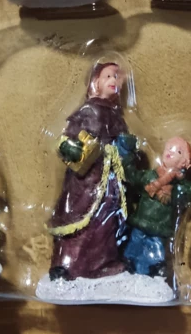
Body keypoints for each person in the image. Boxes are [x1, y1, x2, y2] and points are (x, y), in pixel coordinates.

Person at [48, 62, 138, 280]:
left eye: (116, 77)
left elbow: (123, 145)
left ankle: (101, 264)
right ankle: (67, 265)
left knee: (106, 223)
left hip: (109, 180)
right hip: (86, 178)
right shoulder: (88, 110)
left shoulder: (116, 115)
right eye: (108, 76)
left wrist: (126, 149)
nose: (114, 80)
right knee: (80, 219)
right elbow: (66, 139)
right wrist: (71, 148)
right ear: (95, 82)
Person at [122, 137, 191, 278]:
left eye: (178, 152)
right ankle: (129, 271)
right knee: (131, 252)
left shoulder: (178, 188)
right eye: (169, 148)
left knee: (152, 259)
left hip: (158, 232)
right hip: (139, 225)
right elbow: (133, 175)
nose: (170, 152)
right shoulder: (150, 176)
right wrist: (127, 153)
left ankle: (148, 276)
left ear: (184, 162)